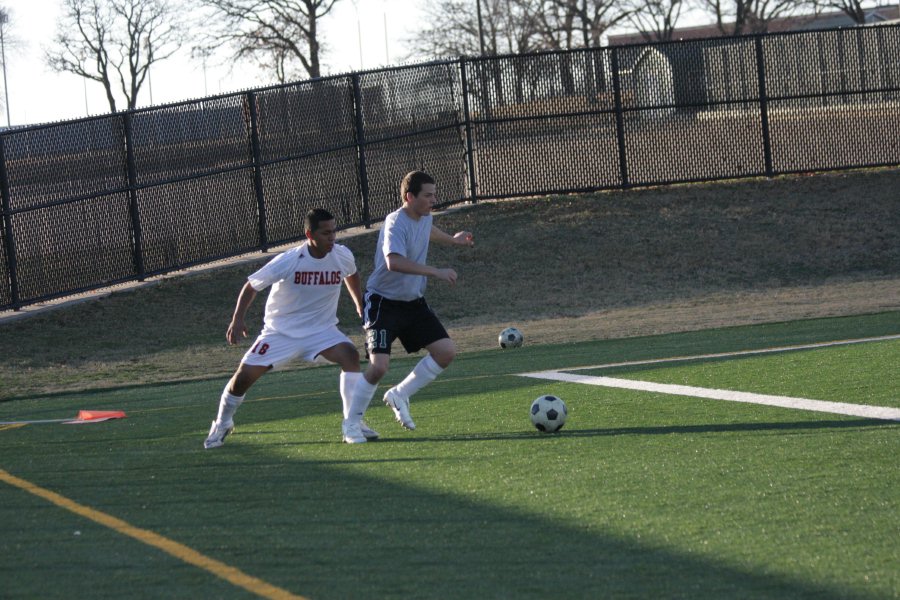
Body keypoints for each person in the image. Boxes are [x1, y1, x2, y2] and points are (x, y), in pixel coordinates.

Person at [204, 208, 379, 448]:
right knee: (242, 379)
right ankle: (222, 423)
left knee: (350, 356)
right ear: (310, 234)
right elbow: (251, 286)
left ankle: (352, 422)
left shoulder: (341, 255)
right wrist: (238, 319)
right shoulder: (290, 260)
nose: (332, 238)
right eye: (326, 233)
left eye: (334, 232)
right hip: (280, 332)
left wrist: (360, 304)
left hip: (321, 331)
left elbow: (352, 274)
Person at [344, 170, 474, 432]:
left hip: (412, 302)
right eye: (428, 196)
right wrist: (435, 271)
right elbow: (393, 262)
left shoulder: (423, 216)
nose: (433, 200)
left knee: (446, 352)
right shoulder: (395, 222)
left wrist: (453, 240)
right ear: (409, 197)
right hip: (383, 302)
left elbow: (428, 230)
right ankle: (352, 423)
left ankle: (399, 394)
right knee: (379, 366)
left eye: (434, 195)